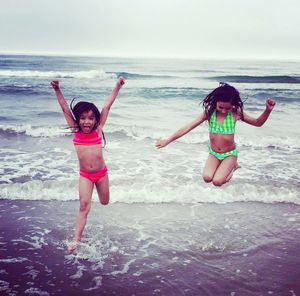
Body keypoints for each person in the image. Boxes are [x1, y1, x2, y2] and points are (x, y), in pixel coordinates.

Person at [51, 77, 125, 252]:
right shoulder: (75, 130)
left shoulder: (98, 130)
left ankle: (100, 201)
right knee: (84, 206)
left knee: (105, 202)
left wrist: (117, 86)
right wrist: (57, 89)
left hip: (101, 174)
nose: (87, 121)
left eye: (91, 118)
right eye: (83, 118)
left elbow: (107, 106)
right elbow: (64, 108)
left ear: (95, 120)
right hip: (85, 176)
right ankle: (76, 240)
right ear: (78, 119)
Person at [155, 82, 276, 187]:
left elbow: (258, 123)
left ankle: (233, 166)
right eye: (221, 107)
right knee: (207, 178)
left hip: (229, 154)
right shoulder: (209, 113)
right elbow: (187, 127)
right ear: (215, 102)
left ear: (233, 105)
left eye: (227, 108)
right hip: (214, 154)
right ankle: (226, 168)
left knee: (217, 182)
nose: (223, 110)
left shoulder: (235, 114)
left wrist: (267, 110)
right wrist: (168, 140)